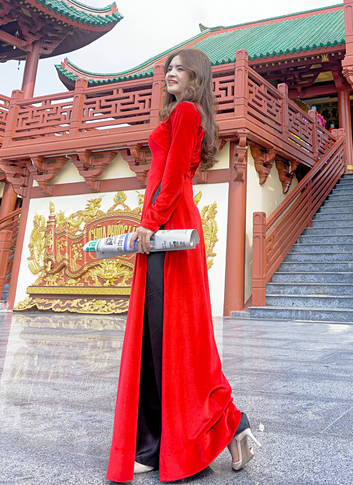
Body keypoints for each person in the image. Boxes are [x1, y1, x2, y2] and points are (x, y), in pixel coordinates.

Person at [107, 49, 259, 482]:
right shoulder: (180, 113)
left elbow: (173, 175)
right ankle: (163, 443)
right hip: (162, 225)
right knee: (160, 338)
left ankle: (208, 429)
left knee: (170, 338)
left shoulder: (187, 112)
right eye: (168, 68)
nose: (170, 74)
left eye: (179, 68)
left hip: (169, 226)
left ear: (197, 76)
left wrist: (151, 220)